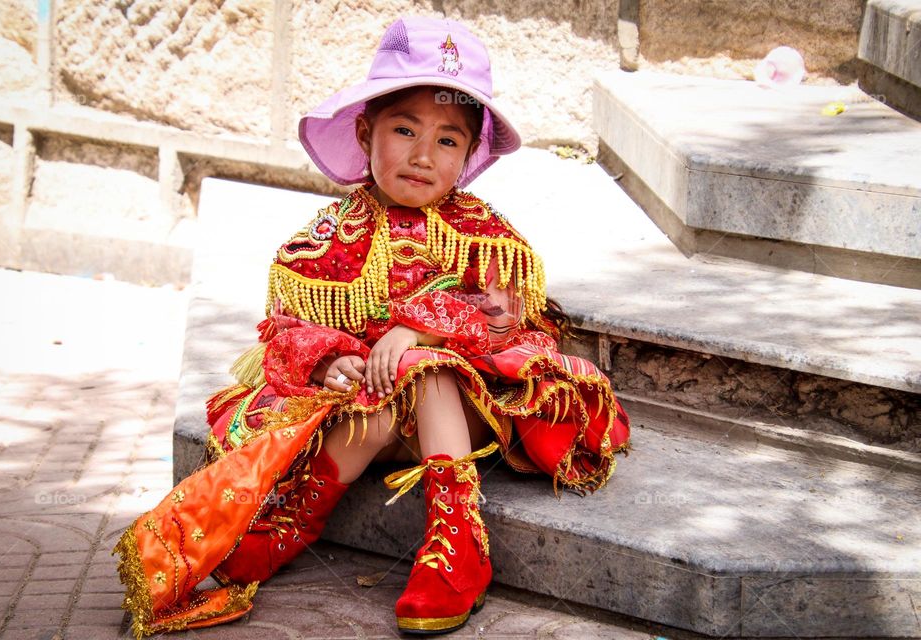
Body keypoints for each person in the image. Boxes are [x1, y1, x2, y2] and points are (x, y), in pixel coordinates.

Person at [114, 16, 630, 638]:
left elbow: (510, 325)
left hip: (461, 415)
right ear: (365, 131)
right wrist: (331, 360)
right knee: (375, 405)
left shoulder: (482, 233)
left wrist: (421, 332)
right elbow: (283, 327)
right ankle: (295, 522)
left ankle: (457, 538)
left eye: (447, 140)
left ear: (468, 155)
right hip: (370, 419)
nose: (422, 155)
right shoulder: (328, 237)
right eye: (404, 130)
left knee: (428, 372)